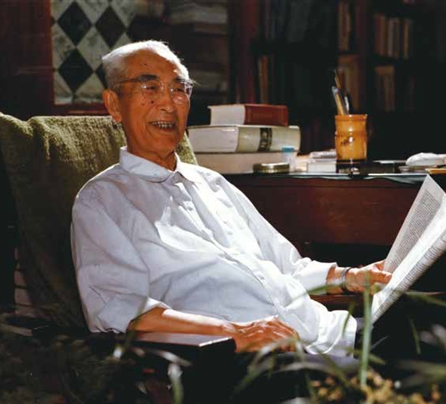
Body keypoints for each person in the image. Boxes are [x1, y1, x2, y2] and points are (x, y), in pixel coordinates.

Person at [71, 40, 391, 359]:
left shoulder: (214, 184)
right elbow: (122, 309)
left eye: (179, 90)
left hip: (330, 333)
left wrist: (349, 277)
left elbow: (287, 267)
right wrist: (234, 332)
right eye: (151, 88)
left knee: (416, 322)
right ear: (114, 105)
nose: (168, 103)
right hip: (244, 356)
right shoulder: (101, 201)